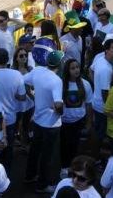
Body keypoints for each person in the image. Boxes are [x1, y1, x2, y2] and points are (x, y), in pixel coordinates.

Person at [23, 50, 64, 194]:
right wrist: (60, 111)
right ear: (60, 63)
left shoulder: (38, 72)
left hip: (38, 120)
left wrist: (32, 95)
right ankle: (42, 185)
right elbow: (58, 104)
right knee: (47, 155)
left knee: (35, 150)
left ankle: (29, 176)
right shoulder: (56, 80)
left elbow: (24, 80)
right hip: (51, 124)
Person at [60, 58, 93, 179]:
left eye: (77, 67)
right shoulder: (61, 83)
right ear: (67, 70)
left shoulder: (85, 84)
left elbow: (89, 104)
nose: (76, 70)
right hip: (64, 122)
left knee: (75, 146)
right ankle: (63, 167)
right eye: (73, 68)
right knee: (64, 146)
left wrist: (89, 123)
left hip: (79, 121)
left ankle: (72, 167)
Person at [90, 38, 113, 144]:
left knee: (99, 131)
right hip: (103, 108)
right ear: (106, 50)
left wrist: (96, 84)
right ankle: (97, 157)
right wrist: (110, 109)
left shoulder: (100, 59)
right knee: (101, 134)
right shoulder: (106, 69)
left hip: (98, 103)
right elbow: (105, 93)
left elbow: (91, 69)